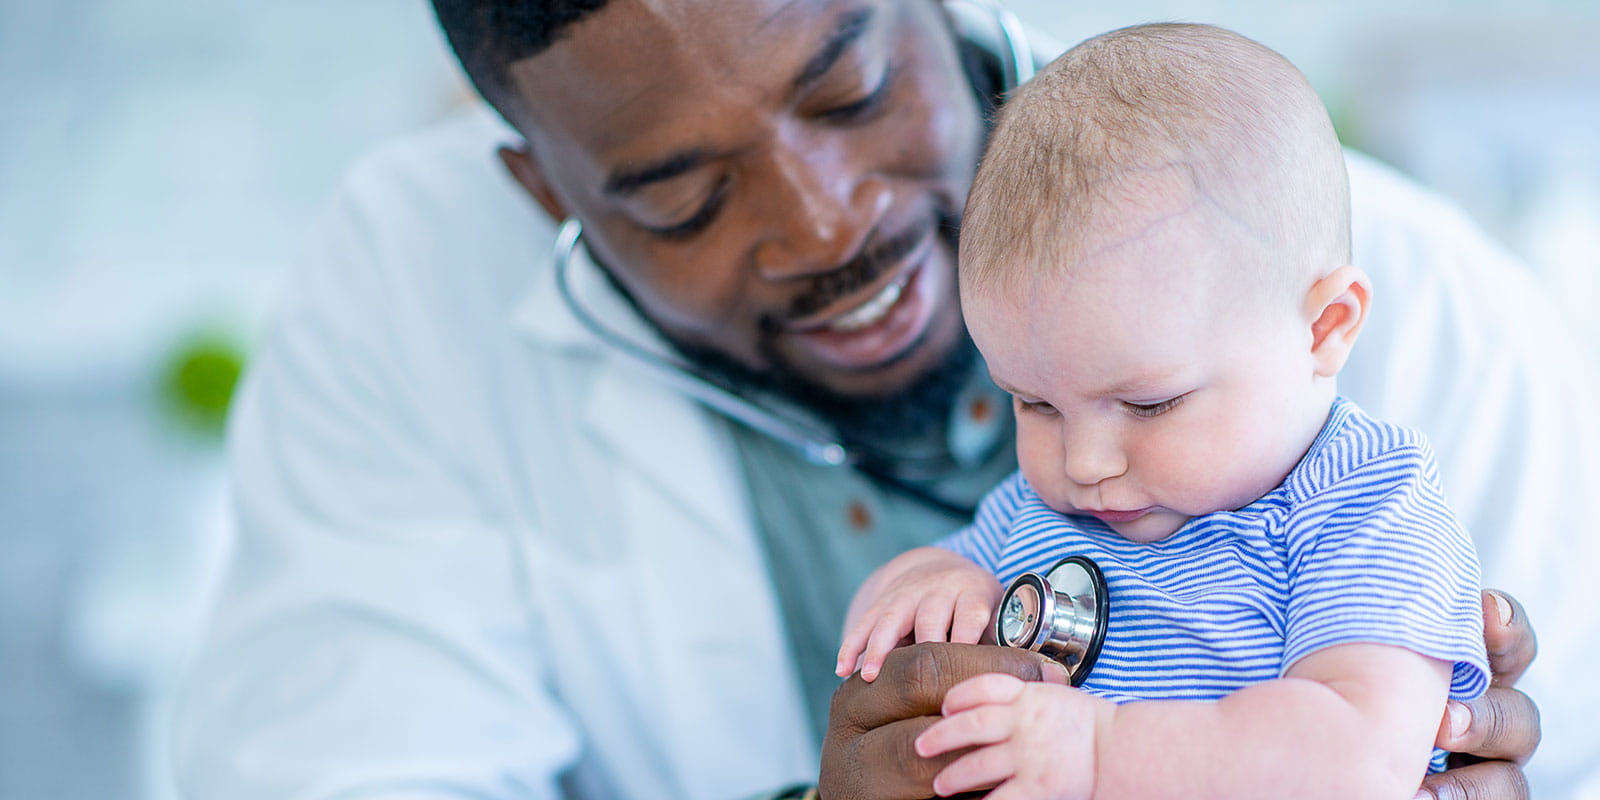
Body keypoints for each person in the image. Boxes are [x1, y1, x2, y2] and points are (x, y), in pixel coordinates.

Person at [172, 2, 1584, 799]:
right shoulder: (402, 292)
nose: (821, 224)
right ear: (547, 189)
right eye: (685, 196)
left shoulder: (1391, 295)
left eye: (849, 92)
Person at [837, 23, 1489, 798]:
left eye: (1150, 404)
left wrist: (1103, 756)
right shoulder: (1036, 512)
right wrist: (924, 581)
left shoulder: (1362, 500)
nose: (1084, 463)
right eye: (1034, 402)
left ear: (1324, 328)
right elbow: (917, 615)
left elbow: (1357, 756)